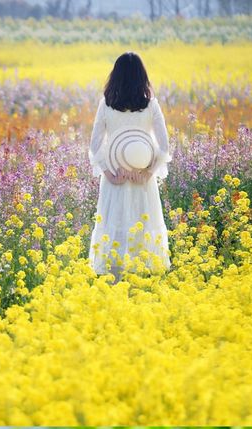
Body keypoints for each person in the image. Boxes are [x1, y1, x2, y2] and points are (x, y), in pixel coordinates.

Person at [88, 52, 171, 279]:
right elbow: (164, 147)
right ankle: (144, 282)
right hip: (142, 182)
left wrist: (110, 174)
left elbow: (95, 146)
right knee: (143, 226)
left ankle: (114, 282)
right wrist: (147, 173)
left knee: (114, 227)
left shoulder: (106, 105)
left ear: (115, 76)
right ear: (141, 77)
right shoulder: (151, 105)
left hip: (115, 178)